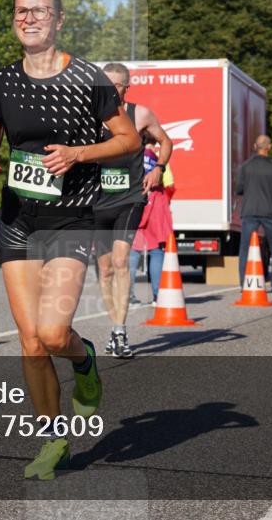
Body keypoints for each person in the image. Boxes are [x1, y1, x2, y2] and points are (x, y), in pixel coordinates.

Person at [0, 0, 140, 480]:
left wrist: (77, 154)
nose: (29, 18)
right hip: (17, 220)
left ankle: (84, 357)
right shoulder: (0, 83)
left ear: (59, 20)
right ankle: (52, 441)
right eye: (21, 12)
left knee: (52, 333)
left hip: (68, 219)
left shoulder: (88, 79)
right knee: (29, 342)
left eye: (39, 11)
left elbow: (128, 139)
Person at [94, 63, 173, 359]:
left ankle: (120, 330)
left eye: (117, 85)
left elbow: (166, 141)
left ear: (127, 87)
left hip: (129, 199)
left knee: (121, 261)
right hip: (96, 201)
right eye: (106, 84)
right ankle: (112, 327)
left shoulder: (140, 114)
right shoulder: (90, 114)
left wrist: (159, 170)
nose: (111, 90)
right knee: (104, 269)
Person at [235, 134, 272, 293]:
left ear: (256, 147)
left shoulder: (245, 166)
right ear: (269, 147)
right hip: (270, 211)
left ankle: (244, 284)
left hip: (249, 210)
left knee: (244, 249)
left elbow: (239, 189)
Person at [129, 146, 176, 305]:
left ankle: (128, 296)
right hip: (155, 204)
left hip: (135, 201)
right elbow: (169, 183)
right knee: (156, 250)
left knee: (133, 251)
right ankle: (158, 295)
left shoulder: (132, 156)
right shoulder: (160, 159)